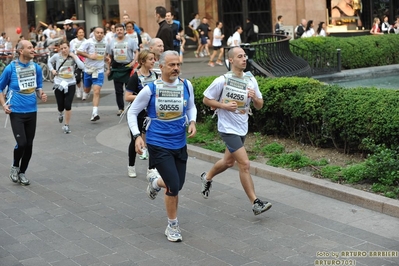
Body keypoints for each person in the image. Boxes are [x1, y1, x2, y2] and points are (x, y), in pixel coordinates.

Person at [127, 50, 197, 242]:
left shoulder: (186, 85)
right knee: (173, 186)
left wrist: (192, 121)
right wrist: (136, 137)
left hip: (179, 142)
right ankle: (172, 226)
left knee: (177, 184)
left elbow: (191, 106)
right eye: (172, 65)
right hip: (158, 142)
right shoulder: (151, 89)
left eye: (178, 65)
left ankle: (155, 183)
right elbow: (132, 112)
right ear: (161, 65)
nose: (176, 68)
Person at [200, 46, 272, 216]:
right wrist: (223, 106)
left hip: (242, 126)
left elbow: (259, 105)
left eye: (245, 56)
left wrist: (254, 97)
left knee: (228, 162)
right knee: (244, 164)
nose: (244, 59)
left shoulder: (250, 80)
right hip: (227, 128)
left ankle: (207, 177)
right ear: (231, 60)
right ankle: (255, 202)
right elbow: (206, 99)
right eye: (240, 56)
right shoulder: (222, 80)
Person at [0, 40, 48, 186]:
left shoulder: (36, 68)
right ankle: (15, 167)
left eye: (33, 47)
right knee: (22, 143)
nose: (33, 50)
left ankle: (22, 172)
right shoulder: (10, 68)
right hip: (16, 111)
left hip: (32, 111)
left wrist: (42, 94)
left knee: (29, 145)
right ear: (21, 51)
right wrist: (4, 105)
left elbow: (38, 87)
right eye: (29, 48)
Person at [125, 50, 158, 177]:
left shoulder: (155, 76)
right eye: (150, 59)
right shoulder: (135, 77)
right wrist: (142, 97)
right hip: (138, 113)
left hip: (151, 114)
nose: (153, 61)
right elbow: (127, 96)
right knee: (135, 139)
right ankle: (131, 166)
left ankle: (151, 168)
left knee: (151, 140)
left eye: (154, 59)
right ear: (143, 62)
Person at [48, 41, 84, 133]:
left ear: (69, 47)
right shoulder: (57, 56)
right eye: (62, 48)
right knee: (60, 105)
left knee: (68, 105)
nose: (64, 50)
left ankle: (66, 125)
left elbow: (82, 66)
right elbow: (49, 62)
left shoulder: (72, 57)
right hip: (59, 83)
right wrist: (52, 70)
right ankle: (60, 113)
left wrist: (75, 57)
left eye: (65, 48)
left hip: (70, 83)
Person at [106, 23, 139, 116]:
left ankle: (132, 107)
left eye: (121, 30)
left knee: (131, 88)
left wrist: (134, 62)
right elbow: (109, 56)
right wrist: (108, 69)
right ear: (115, 31)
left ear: (124, 31)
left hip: (128, 67)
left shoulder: (131, 41)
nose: (119, 31)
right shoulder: (111, 42)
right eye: (117, 30)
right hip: (116, 67)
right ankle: (120, 108)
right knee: (118, 90)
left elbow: (137, 52)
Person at [77, 26, 107, 121]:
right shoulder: (88, 42)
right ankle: (86, 91)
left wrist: (106, 58)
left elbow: (104, 54)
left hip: (99, 70)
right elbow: (78, 51)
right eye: (97, 32)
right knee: (86, 90)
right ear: (94, 33)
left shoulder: (106, 42)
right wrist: (89, 56)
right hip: (88, 69)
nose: (99, 34)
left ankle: (95, 113)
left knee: (97, 91)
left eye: (101, 33)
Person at [69, 27, 86, 99]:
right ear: (77, 34)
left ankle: (85, 92)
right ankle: (79, 89)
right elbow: (70, 51)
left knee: (85, 78)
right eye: (80, 32)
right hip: (76, 61)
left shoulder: (87, 41)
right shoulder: (73, 42)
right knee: (77, 77)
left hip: (85, 61)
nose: (81, 34)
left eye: (82, 32)